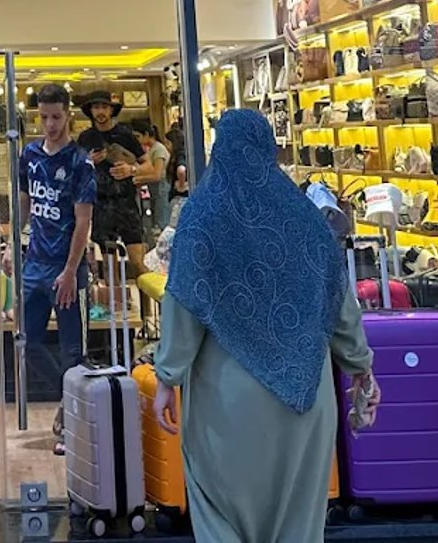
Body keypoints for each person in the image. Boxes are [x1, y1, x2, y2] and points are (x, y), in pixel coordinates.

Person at [152, 109, 379, 543]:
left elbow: (184, 303)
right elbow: (338, 301)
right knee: (298, 522)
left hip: (228, 402)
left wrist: (168, 376)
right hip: (306, 399)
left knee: (221, 517)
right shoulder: (305, 218)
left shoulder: (203, 216)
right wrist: (361, 366)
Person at [20, 82, 96, 457]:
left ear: (67, 115)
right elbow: (24, 204)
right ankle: (66, 400)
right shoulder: (29, 154)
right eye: (44, 117)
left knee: (72, 353)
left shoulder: (81, 163)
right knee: (28, 343)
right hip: (33, 265)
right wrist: (9, 245)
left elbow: (83, 223)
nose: (50, 125)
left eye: (56, 117)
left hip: (67, 270)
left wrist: (70, 269)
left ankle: (73, 422)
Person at [77, 91, 155, 272]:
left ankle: (150, 299)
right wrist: (89, 162)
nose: (100, 111)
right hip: (101, 204)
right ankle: (115, 300)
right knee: (109, 266)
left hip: (126, 203)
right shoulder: (85, 138)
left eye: (104, 107)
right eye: (96, 107)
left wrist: (131, 169)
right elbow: (76, 172)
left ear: (111, 110)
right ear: (91, 111)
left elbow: (149, 166)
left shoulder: (125, 135)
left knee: (138, 262)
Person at [133, 118, 173, 232]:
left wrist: (136, 179)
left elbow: (157, 175)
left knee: (161, 225)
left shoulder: (158, 150)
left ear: (146, 135)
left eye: (137, 136)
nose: (136, 140)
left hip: (161, 191)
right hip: (155, 191)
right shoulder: (151, 150)